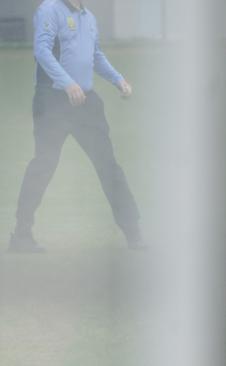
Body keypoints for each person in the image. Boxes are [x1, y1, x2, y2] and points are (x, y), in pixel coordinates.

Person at [8, 0, 143, 252]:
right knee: (43, 165)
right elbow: (42, 51)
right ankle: (21, 235)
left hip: (86, 104)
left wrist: (118, 80)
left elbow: (96, 55)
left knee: (108, 165)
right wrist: (68, 83)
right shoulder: (49, 9)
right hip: (52, 100)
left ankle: (133, 232)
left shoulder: (88, 17)